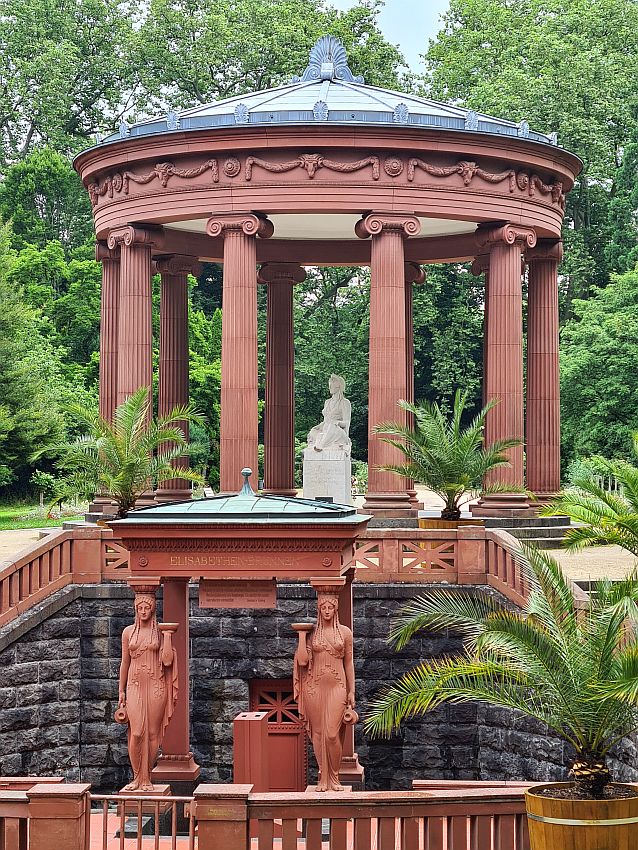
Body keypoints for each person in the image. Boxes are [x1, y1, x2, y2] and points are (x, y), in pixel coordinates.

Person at [293, 591, 356, 791]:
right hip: (314, 687)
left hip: (338, 686)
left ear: (336, 608)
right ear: (319, 610)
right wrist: (302, 636)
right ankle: (323, 777)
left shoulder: (345, 633)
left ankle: (334, 777)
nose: (327, 611)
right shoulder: (312, 634)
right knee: (318, 735)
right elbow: (302, 661)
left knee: (331, 734)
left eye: (330, 607)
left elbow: (349, 663)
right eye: (323, 608)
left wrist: (352, 691)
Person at [117, 592, 178, 791]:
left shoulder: (159, 633)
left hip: (156, 684)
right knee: (136, 733)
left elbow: (168, 661)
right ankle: (136, 776)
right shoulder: (128, 632)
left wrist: (167, 636)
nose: (143, 611)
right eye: (140, 608)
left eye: (147, 608)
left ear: (153, 609)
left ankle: (147, 778)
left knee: (152, 733)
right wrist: (121, 690)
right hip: (134, 683)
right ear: (136, 609)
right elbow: (124, 662)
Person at [307, 374, 352, 454]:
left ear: (338, 386)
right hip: (326, 428)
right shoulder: (327, 402)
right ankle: (320, 442)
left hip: (338, 432)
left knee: (331, 426)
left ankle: (320, 445)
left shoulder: (345, 402)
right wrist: (318, 427)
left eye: (331, 386)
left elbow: (347, 423)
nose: (329, 388)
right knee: (313, 431)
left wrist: (336, 422)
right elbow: (325, 421)